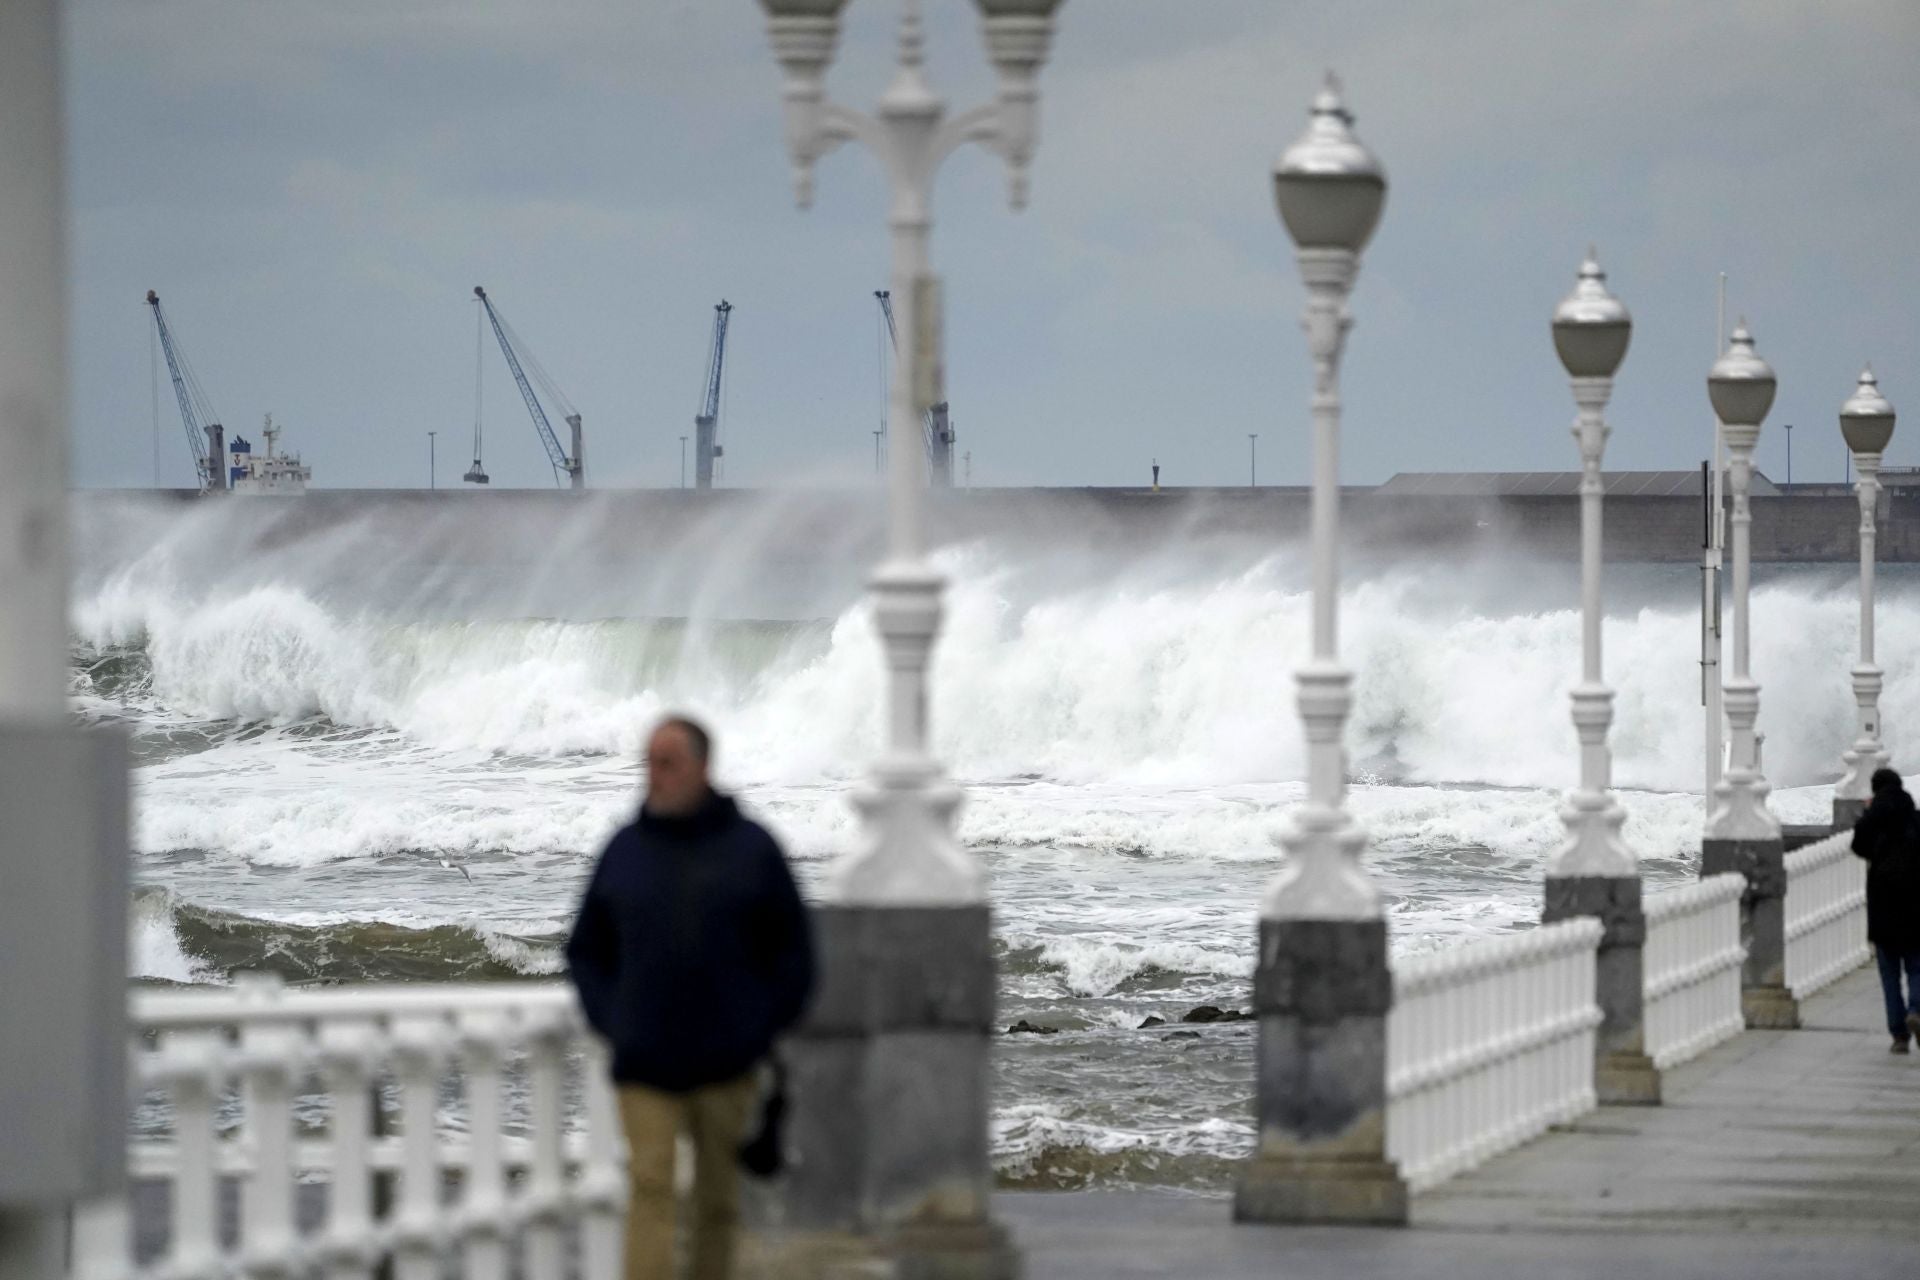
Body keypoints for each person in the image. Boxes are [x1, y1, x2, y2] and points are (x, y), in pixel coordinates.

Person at [567, 715, 814, 1280]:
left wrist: (758, 1028)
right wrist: (613, 1021)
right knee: (651, 1191)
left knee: (717, 1202)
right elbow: (586, 950)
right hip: (645, 1062)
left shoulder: (752, 849)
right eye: (649, 762)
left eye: (668, 762)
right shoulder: (624, 850)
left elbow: (795, 954)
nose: (654, 775)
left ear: (703, 768)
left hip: (726, 1064)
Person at [1849, 766, 1920, 1053]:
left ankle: (1899, 1035)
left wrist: (1868, 817)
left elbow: (1858, 846)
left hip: (1883, 906)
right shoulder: (1915, 818)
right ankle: (1916, 1010)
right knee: (1916, 967)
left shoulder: (1874, 819)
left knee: (1889, 974)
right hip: (1916, 907)